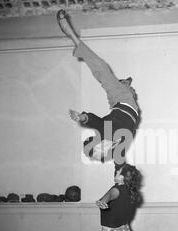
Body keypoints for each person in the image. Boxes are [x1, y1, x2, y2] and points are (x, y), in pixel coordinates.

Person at [57, 9, 140, 164]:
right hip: (126, 102)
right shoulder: (118, 148)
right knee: (107, 75)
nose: (102, 152)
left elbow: (95, 121)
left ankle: (72, 36)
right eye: (100, 155)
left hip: (120, 100)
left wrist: (82, 117)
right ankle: (125, 84)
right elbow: (120, 166)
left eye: (97, 151)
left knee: (101, 68)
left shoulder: (105, 133)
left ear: (98, 145)